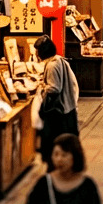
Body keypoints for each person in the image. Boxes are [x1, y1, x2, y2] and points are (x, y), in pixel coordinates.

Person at [22, 133, 103, 204]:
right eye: (56, 154)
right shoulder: (44, 184)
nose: (59, 159)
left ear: (75, 156)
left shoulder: (87, 186)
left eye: (64, 155)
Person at [37, 36, 80, 170]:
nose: (36, 54)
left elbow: (55, 88)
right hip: (68, 108)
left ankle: (56, 167)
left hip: (59, 112)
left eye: (38, 51)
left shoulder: (52, 65)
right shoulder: (60, 60)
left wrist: (42, 87)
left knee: (56, 142)